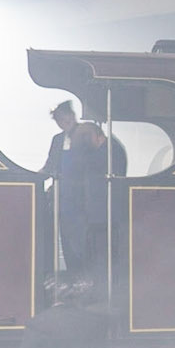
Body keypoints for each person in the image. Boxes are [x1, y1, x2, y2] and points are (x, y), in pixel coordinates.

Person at [56, 119, 127, 285]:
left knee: (101, 261)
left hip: (104, 216)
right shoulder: (104, 150)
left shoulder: (109, 152)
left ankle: (101, 292)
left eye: (84, 140)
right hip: (98, 216)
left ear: (95, 136)